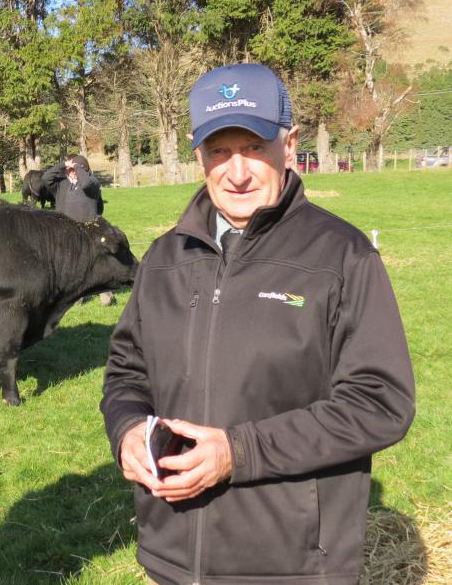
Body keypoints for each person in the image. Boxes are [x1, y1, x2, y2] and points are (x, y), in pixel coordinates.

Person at [100, 63, 415, 585]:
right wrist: (128, 428)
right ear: (198, 153)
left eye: (255, 147)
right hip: (173, 556)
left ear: (289, 145)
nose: (237, 171)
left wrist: (238, 452)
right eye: (220, 151)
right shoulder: (164, 258)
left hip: (290, 564)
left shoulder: (343, 257)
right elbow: (127, 371)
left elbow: (380, 401)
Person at [42, 154, 113, 305]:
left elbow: (86, 184)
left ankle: (106, 295)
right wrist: (63, 164)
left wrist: (78, 167)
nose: (70, 172)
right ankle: (78, 297)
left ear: (83, 169)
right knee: (74, 267)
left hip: (89, 232)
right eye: (69, 170)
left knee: (96, 264)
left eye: (73, 169)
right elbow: (46, 178)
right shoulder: (62, 185)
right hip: (67, 233)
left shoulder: (92, 183)